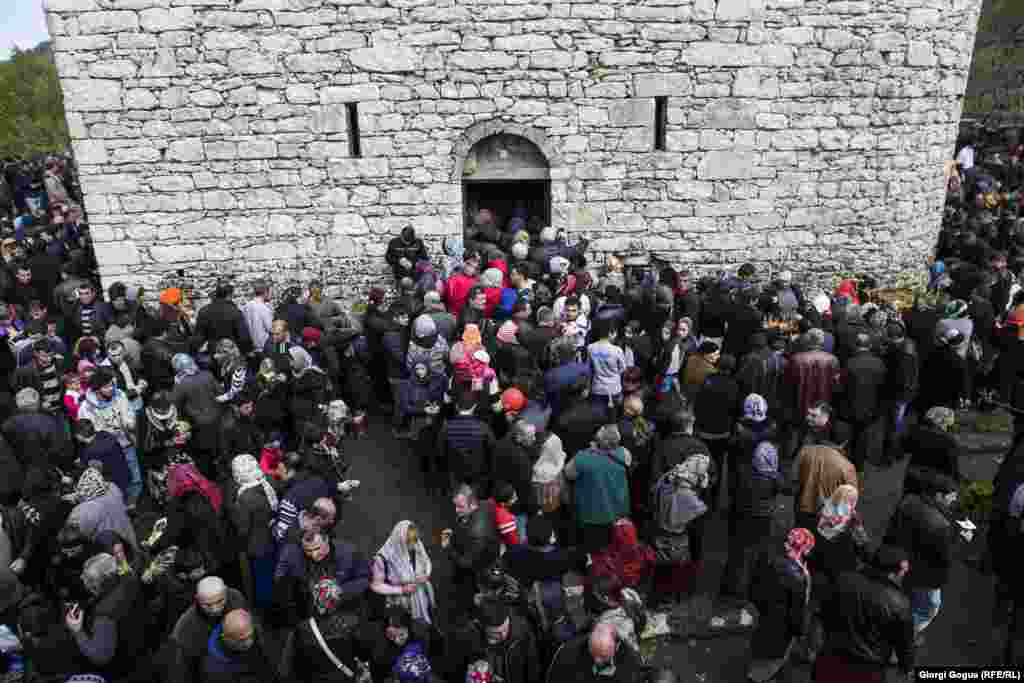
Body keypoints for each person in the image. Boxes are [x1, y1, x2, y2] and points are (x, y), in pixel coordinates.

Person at [814, 546, 915, 681]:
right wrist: (906, 667)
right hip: (867, 669)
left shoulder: (842, 579)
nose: (906, 571)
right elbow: (904, 643)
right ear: (893, 572)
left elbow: (825, 611)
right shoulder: (900, 604)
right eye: (904, 568)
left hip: (831, 657)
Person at [882, 472, 957, 641]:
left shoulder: (908, 501)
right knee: (928, 608)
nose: (953, 501)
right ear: (938, 496)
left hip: (901, 564)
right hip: (926, 576)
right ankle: (904, 636)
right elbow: (944, 557)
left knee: (902, 600)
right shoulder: (941, 524)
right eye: (951, 497)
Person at [65, 552, 148, 680]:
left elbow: (100, 656)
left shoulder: (104, 614)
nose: (81, 577)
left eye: (88, 578)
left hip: (121, 672)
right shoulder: (129, 578)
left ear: (100, 582)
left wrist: (77, 631)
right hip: (139, 650)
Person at [747, 528, 816, 682]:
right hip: (779, 631)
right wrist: (800, 632)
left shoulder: (768, 559)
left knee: (758, 660)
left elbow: (753, 590)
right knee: (765, 669)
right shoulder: (799, 578)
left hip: (762, 620)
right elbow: (797, 613)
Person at [273, 530, 370, 627]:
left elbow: (365, 580)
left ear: (326, 540)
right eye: (308, 550)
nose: (314, 555)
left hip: (344, 613)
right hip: (309, 618)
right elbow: (280, 579)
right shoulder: (292, 554)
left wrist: (340, 589)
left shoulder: (349, 552)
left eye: (317, 548)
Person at [77, 367, 142, 508]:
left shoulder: (120, 395)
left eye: (112, 384)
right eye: (106, 386)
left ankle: (132, 503)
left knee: (134, 475)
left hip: (126, 444)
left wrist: (129, 422)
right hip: (108, 452)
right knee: (114, 480)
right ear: (96, 388)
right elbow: (87, 431)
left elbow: (129, 413)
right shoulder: (86, 408)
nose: (111, 388)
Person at [650, 453, 710, 602]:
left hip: (659, 532)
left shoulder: (666, 483)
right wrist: (701, 489)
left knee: (660, 571)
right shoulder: (686, 495)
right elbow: (701, 509)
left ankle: (656, 597)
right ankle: (667, 601)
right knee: (673, 572)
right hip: (676, 539)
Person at [564, 424, 631, 554]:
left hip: (591, 514)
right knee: (614, 544)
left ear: (599, 441)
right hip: (618, 511)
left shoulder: (582, 457)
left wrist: (591, 450)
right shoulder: (624, 453)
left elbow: (569, 474)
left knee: (592, 547)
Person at [170, 576, 248, 683]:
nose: (215, 609)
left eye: (220, 601)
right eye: (207, 605)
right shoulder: (185, 628)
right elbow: (183, 671)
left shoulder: (236, 598)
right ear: (197, 598)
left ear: (226, 592)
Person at [441, 484, 501, 618]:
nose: (456, 510)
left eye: (460, 507)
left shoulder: (477, 534)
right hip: (484, 554)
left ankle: (472, 614)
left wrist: (448, 547)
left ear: (473, 504)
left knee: (468, 594)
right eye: (455, 506)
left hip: (478, 571)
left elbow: (466, 563)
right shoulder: (486, 504)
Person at [450, 599, 541, 683]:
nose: (502, 635)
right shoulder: (467, 642)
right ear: (481, 627)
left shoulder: (523, 632)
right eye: (495, 633)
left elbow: (533, 669)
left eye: (505, 629)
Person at [229, 453, 278, 610]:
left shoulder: (245, 498)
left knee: (262, 579)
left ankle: (266, 608)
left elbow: (243, 529)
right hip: (274, 536)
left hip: (258, 545)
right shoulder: (269, 481)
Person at [371, 520, 436, 624]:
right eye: (408, 542)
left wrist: (426, 574)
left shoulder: (416, 544)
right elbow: (376, 586)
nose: (412, 546)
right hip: (398, 609)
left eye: (414, 541)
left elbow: (426, 560)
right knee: (404, 635)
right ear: (399, 539)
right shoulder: (382, 558)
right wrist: (401, 589)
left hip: (422, 600)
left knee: (424, 632)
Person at [199, 608, 278, 683]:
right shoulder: (213, 669)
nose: (248, 643)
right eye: (241, 640)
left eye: (250, 636)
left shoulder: (251, 628)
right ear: (225, 638)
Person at [545, 622, 642, 683]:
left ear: (616, 645)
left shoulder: (630, 657)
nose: (598, 661)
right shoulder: (566, 655)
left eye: (604, 657)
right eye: (594, 656)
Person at [195, 282, 251, 354]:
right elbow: (243, 337)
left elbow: (198, 336)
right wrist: (247, 351)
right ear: (229, 295)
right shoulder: (235, 312)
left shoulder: (203, 311)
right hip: (230, 353)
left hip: (212, 352)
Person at [242, 281, 274, 354]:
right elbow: (271, 328)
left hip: (251, 347)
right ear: (265, 292)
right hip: (265, 347)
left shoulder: (246, 306)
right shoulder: (264, 308)